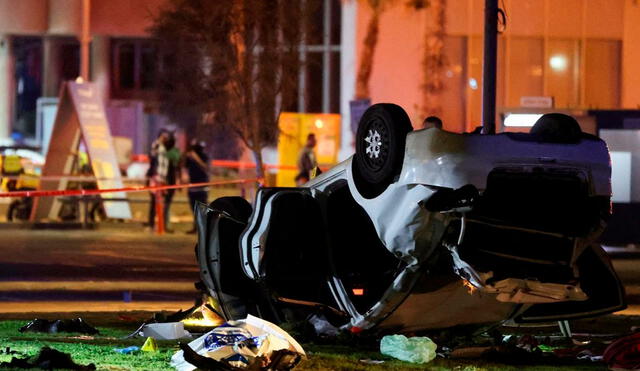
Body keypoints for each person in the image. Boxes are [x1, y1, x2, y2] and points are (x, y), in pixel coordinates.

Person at [183, 139, 209, 234]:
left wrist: (196, 158)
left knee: (201, 209)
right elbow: (185, 168)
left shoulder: (204, 157)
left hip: (202, 187)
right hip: (192, 187)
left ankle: (203, 229)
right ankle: (195, 228)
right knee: (194, 209)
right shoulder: (189, 158)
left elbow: (206, 167)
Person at [146, 129, 170, 231]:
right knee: (153, 202)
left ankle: (158, 224)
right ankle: (151, 224)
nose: (165, 138)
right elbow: (152, 155)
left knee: (160, 202)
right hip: (156, 178)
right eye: (163, 136)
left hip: (162, 178)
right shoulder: (156, 145)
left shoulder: (165, 148)